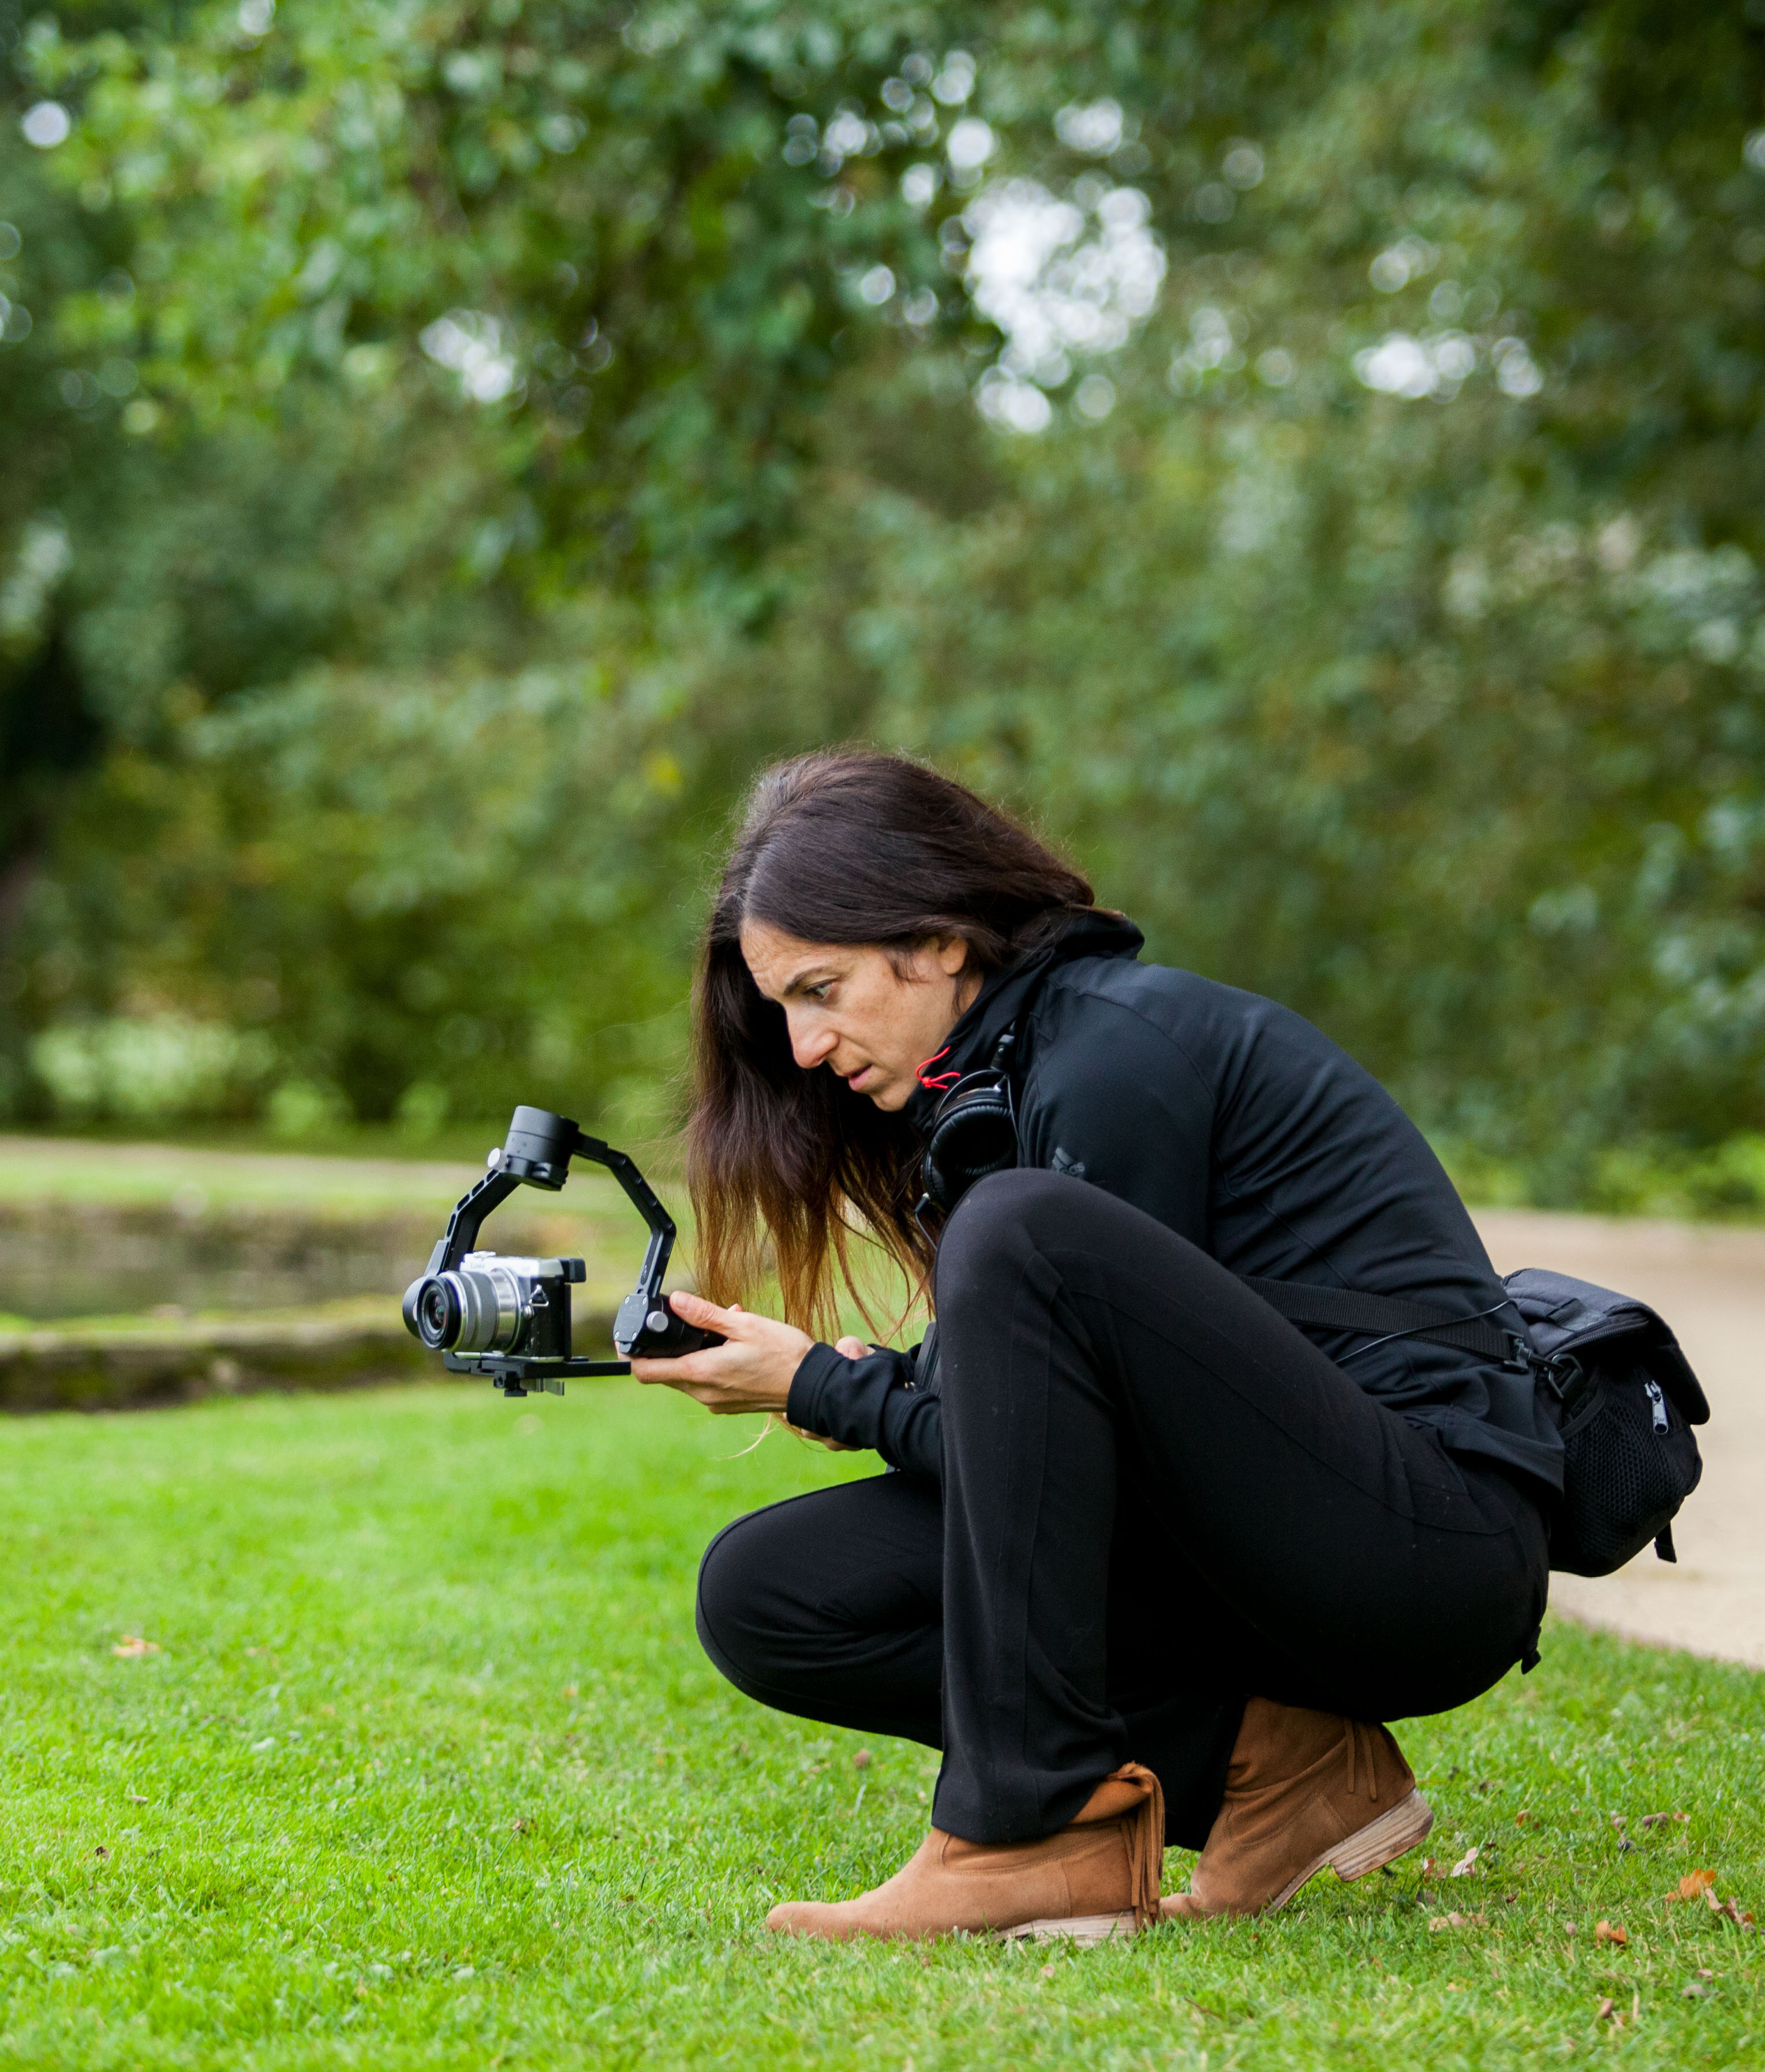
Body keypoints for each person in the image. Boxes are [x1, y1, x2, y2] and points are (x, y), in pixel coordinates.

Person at [630, 748, 1560, 1943]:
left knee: (1022, 1229)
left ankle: (1032, 1829)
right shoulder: (996, 1088)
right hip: (1269, 1542)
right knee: (772, 1594)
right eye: (783, 1011)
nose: (804, 1049)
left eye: (821, 989)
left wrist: (826, 1385)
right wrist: (833, 1381)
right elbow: (1045, 1456)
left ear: (941, 937)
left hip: (1427, 1549)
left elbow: (1085, 1466)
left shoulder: (1114, 1053)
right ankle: (1282, 1772)